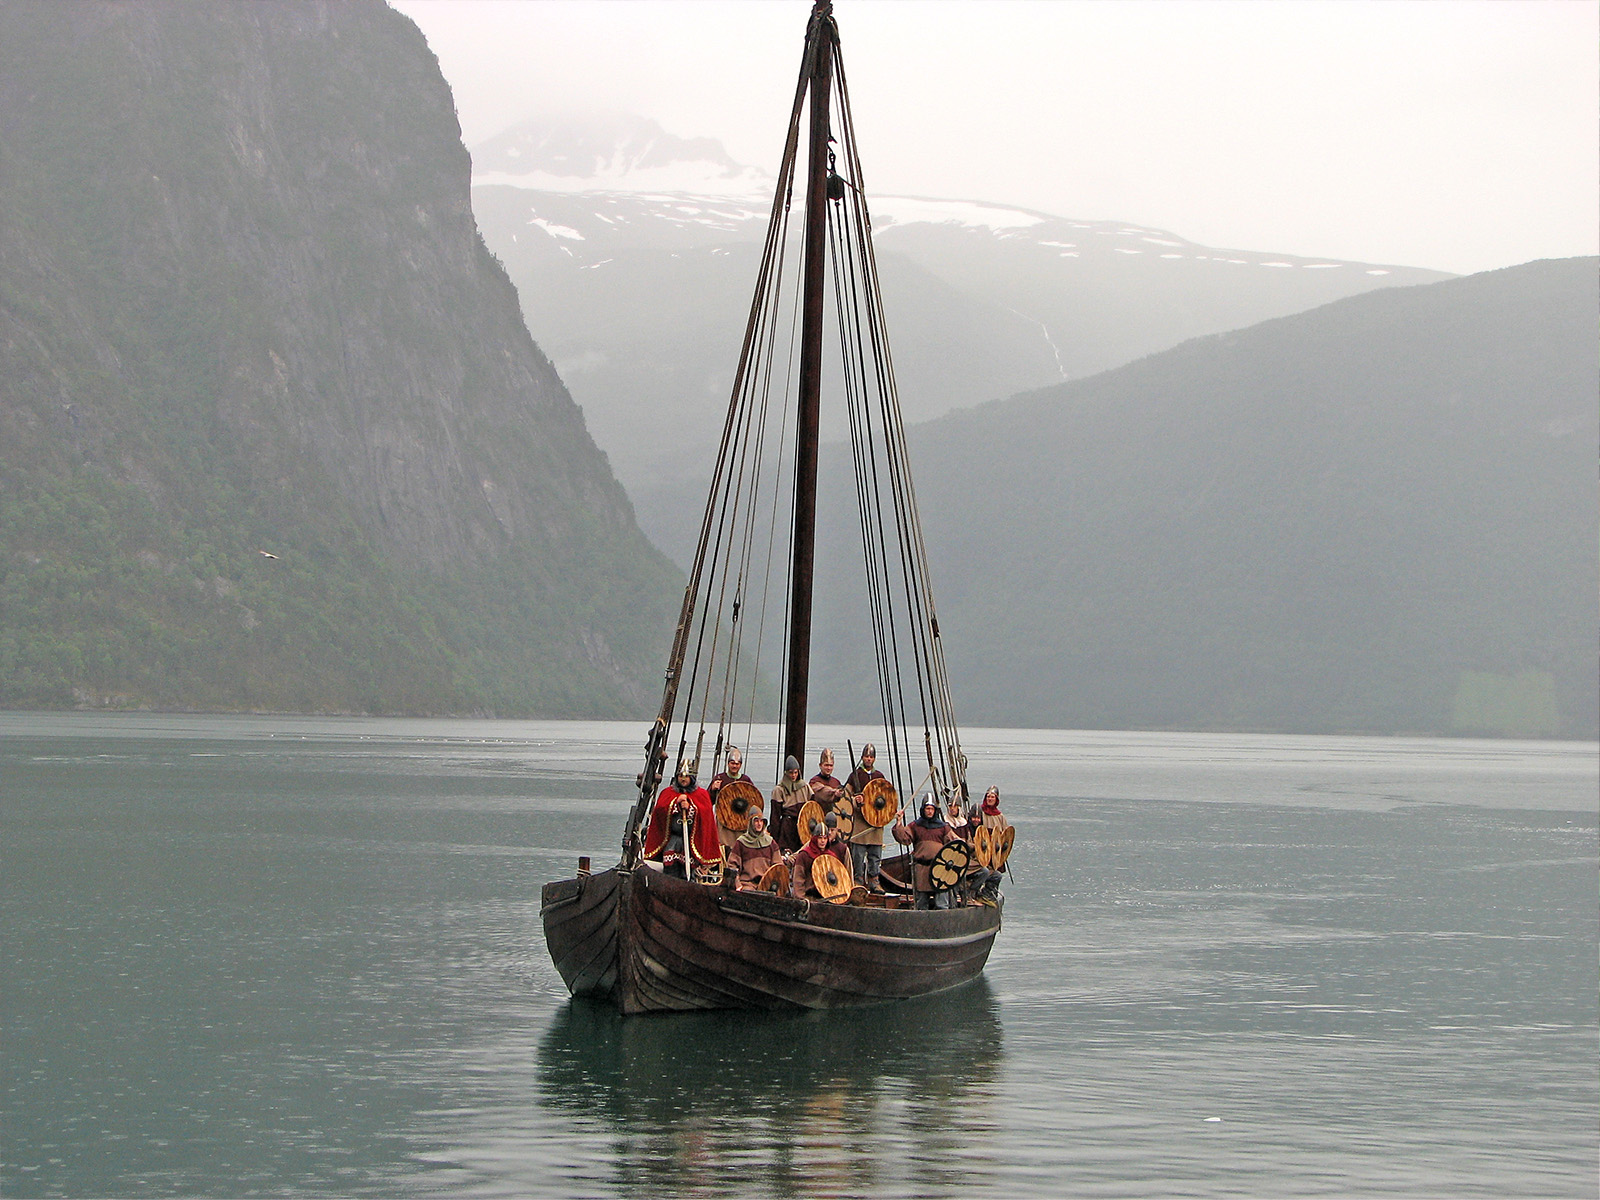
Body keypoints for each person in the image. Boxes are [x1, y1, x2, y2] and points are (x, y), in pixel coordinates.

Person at [641, 760, 722, 880]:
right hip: (673, 839)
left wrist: (691, 807)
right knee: (670, 870)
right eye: (680, 776)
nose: (683, 779)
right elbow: (659, 810)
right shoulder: (668, 793)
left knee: (689, 872)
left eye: (686, 777)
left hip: (692, 842)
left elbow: (705, 816)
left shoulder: (702, 794)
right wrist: (675, 803)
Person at [892, 796, 958, 909]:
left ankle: (943, 923)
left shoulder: (943, 827)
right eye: (927, 808)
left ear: (935, 810)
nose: (930, 811)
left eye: (932, 809)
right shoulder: (915, 826)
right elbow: (904, 838)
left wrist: (968, 847)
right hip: (922, 869)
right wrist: (899, 823)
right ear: (923, 809)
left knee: (942, 903)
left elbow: (955, 843)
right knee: (921, 903)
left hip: (940, 869)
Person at [845, 743, 887, 893]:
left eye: (871, 757)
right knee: (858, 854)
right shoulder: (855, 775)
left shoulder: (879, 777)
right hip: (860, 822)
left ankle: (874, 880)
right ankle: (858, 880)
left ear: (874, 759)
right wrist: (856, 802)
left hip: (876, 822)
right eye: (866, 756)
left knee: (875, 855)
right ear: (862, 757)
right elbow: (846, 796)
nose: (868, 759)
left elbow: (887, 799)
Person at [791, 811, 850, 899]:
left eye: (825, 838)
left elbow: (841, 876)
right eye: (820, 838)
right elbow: (798, 879)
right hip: (808, 896)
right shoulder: (805, 855)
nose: (823, 841)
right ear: (815, 838)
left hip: (827, 897)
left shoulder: (832, 856)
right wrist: (801, 898)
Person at [708, 745, 754, 850]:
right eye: (732, 763)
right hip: (723, 820)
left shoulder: (745, 780)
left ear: (740, 765)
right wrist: (713, 789)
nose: (734, 766)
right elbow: (709, 801)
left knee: (739, 848)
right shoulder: (720, 778)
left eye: (737, 764)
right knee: (724, 848)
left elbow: (753, 801)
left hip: (740, 821)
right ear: (728, 763)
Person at [726, 811, 783, 889]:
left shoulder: (770, 842)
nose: (759, 824)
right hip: (747, 884)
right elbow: (732, 866)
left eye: (761, 821)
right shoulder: (741, 842)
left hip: (767, 884)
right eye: (756, 821)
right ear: (751, 823)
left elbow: (778, 866)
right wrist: (738, 884)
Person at [771, 755, 809, 852]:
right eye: (791, 772)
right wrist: (775, 838)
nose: (793, 775)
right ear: (786, 773)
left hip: (803, 826)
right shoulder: (779, 790)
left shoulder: (805, 787)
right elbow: (775, 816)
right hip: (787, 827)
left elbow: (812, 808)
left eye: (795, 772)